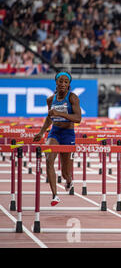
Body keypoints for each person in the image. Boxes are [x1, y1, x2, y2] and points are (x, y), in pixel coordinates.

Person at [33, 72, 82, 206]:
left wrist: (60, 113)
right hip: (54, 132)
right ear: (56, 82)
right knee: (49, 160)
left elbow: (78, 118)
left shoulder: (73, 98)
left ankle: (68, 180)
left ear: (69, 85)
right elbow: (50, 117)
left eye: (66, 82)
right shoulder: (50, 100)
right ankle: (55, 195)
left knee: (66, 172)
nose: (63, 84)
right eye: (61, 81)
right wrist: (41, 132)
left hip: (68, 134)